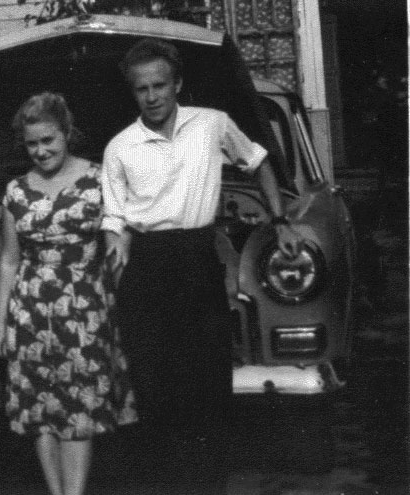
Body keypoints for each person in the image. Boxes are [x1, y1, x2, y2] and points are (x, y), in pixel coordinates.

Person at [101, 38, 302, 494]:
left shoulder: (212, 123)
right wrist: (115, 260)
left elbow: (258, 161)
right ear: (132, 92)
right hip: (146, 264)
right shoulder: (120, 147)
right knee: (154, 385)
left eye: (159, 85)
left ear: (177, 84)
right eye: (142, 89)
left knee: (208, 382)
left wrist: (280, 221)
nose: (152, 96)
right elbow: (114, 220)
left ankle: (209, 485)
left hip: (197, 258)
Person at [0, 92, 137, 495]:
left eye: (48, 140)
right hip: (29, 311)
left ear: (67, 133)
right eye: (32, 144)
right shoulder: (16, 191)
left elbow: (120, 236)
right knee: (39, 409)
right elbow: (9, 260)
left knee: (79, 408)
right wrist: (1, 325)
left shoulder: (98, 179)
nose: (40, 151)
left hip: (84, 308)